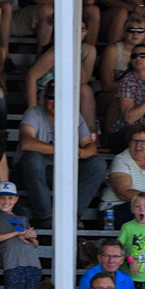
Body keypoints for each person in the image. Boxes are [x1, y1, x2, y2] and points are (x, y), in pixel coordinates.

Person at [15, 85, 109, 226]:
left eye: (59, 98)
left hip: (60, 173)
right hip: (30, 173)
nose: (55, 102)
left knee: (98, 163)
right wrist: (62, 150)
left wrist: (82, 152)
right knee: (33, 158)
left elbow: (91, 146)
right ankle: (44, 217)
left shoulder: (74, 116)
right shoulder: (34, 113)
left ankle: (72, 215)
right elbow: (26, 143)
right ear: (44, 99)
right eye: (51, 97)